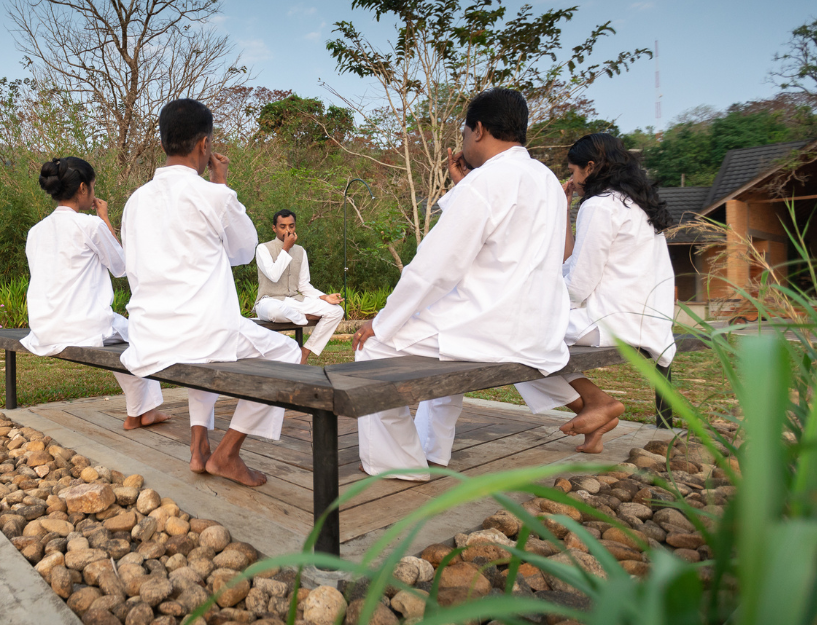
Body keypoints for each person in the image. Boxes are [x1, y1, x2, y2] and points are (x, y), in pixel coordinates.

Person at [350, 88, 570, 481]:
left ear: (479, 129)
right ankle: (432, 448)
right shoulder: (547, 180)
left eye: (465, 132)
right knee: (443, 340)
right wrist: (463, 185)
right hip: (537, 330)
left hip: (490, 327)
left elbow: (433, 269)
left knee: (373, 349)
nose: (464, 141)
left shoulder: (487, 182)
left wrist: (381, 321)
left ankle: (398, 465)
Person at [120, 99, 302, 487]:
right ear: (204, 144)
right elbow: (242, 253)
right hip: (200, 330)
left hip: (148, 333)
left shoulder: (136, 200)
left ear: (164, 142)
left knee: (210, 339)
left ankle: (198, 446)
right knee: (287, 353)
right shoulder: (213, 195)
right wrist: (221, 185)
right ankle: (227, 454)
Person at [514, 133, 676, 453]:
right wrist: (564, 212)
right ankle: (595, 414)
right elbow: (576, 263)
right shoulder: (635, 205)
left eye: (573, 171)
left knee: (508, 336)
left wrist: (537, 302)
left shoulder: (600, 206)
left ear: (590, 167)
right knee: (523, 336)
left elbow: (578, 284)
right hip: (645, 322)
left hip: (611, 321)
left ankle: (595, 402)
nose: (572, 181)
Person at [21, 156, 171, 431]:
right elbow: (121, 266)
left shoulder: (36, 231)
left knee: (126, 333)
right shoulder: (90, 225)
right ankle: (140, 412)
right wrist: (104, 218)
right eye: (92, 186)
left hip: (44, 327)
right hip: (81, 325)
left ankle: (143, 412)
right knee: (140, 334)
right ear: (82, 188)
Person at [253, 209, 346, 365]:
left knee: (336, 311)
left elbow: (303, 284)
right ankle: (307, 316)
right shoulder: (263, 249)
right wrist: (286, 248)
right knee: (275, 311)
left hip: (294, 302)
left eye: (291, 226)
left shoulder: (300, 251)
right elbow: (273, 275)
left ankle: (304, 352)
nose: (287, 230)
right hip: (269, 301)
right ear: (274, 228)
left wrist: (324, 297)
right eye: (282, 226)